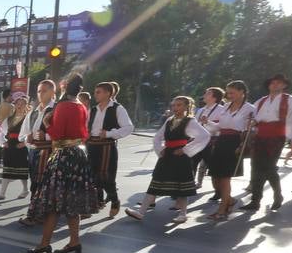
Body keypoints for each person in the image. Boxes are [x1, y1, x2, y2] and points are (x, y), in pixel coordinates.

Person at [26, 74, 95, 253]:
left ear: (64, 88)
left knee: (53, 204)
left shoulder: (63, 106)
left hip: (63, 156)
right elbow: (85, 134)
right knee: (71, 203)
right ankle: (74, 241)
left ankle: (44, 244)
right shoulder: (81, 106)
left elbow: (57, 135)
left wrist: (47, 123)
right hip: (78, 155)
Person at [124, 96, 210, 224]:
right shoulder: (169, 120)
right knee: (155, 181)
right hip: (168, 155)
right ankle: (141, 212)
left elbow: (204, 136)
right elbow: (157, 137)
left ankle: (183, 214)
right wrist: (160, 149)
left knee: (182, 185)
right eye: (174, 105)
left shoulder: (190, 121)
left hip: (180, 157)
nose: (175, 108)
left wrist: (185, 149)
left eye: (179, 105)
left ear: (186, 106)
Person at [242, 73, 292, 212]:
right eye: (273, 83)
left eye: (279, 83)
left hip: (277, 135)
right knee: (256, 167)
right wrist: (251, 122)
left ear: (284, 85)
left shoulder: (291, 100)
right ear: (269, 85)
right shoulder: (261, 101)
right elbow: (253, 117)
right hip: (260, 135)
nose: (275, 85)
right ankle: (255, 201)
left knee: (269, 167)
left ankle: (277, 195)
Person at [203, 81, 255, 220]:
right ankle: (229, 200)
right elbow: (220, 126)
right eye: (228, 92)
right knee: (215, 176)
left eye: (232, 92)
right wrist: (207, 122)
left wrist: (243, 143)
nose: (229, 95)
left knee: (225, 178)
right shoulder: (226, 106)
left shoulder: (250, 108)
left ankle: (222, 209)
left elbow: (251, 129)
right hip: (221, 141)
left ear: (242, 92)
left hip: (235, 142)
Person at [87, 81, 134, 217]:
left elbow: (129, 127)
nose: (95, 94)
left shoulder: (117, 108)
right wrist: (86, 133)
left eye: (98, 92)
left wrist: (109, 133)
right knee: (91, 176)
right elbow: (86, 126)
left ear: (108, 93)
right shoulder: (93, 109)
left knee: (107, 177)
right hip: (92, 145)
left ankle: (114, 200)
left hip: (107, 147)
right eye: (95, 92)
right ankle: (95, 203)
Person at [19, 79, 58, 224]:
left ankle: (38, 215)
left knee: (45, 184)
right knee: (34, 183)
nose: (41, 94)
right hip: (34, 152)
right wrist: (27, 138)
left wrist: (46, 136)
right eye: (39, 91)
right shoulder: (33, 112)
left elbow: (64, 133)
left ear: (53, 92)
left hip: (50, 152)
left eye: (44, 91)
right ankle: (36, 212)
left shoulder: (57, 109)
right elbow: (21, 135)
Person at [0, 94, 32, 200]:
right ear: (15, 105)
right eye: (18, 104)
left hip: (21, 146)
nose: (20, 106)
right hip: (10, 146)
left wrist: (25, 143)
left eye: (22, 104)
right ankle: (2, 193)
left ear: (26, 105)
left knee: (21, 169)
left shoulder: (28, 119)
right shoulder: (9, 119)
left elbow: (31, 133)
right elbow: (1, 133)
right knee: (7, 169)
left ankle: (25, 189)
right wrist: (4, 142)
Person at [192, 87, 227, 193]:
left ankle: (218, 191)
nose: (205, 95)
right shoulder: (201, 110)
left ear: (214, 98)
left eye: (208, 93)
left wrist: (208, 122)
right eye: (205, 93)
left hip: (212, 142)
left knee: (213, 167)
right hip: (199, 141)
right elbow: (196, 125)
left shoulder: (222, 109)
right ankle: (187, 187)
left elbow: (221, 127)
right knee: (191, 164)